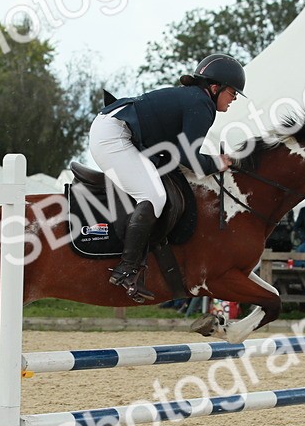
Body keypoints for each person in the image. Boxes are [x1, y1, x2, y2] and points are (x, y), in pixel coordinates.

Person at [89, 53, 242, 301]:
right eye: (232, 93)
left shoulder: (194, 98)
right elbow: (188, 156)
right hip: (114, 135)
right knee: (153, 196)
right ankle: (126, 269)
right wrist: (217, 162)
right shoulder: (202, 104)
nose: (233, 99)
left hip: (115, 128)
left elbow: (176, 153)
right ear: (215, 88)